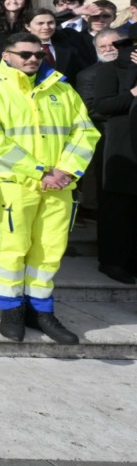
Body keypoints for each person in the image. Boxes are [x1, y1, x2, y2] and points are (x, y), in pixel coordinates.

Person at [0, 32, 100, 344]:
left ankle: (41, 311)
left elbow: (85, 132)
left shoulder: (61, 88)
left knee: (50, 252)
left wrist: (67, 169)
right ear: (6, 55)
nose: (32, 59)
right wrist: (40, 172)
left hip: (59, 187)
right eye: (25, 54)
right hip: (16, 186)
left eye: (38, 55)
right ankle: (11, 310)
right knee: (14, 250)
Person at [82, 35, 137, 284]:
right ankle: (113, 261)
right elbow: (103, 105)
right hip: (122, 145)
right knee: (117, 206)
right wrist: (134, 91)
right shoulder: (110, 70)